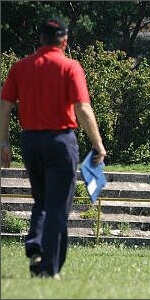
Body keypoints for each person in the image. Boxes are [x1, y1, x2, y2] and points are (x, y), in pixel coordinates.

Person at [0, 17, 107, 279]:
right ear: (65, 41)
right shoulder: (70, 67)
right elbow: (82, 108)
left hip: (30, 141)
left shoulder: (21, 67)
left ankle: (35, 244)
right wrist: (98, 144)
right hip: (60, 141)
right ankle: (49, 267)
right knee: (59, 205)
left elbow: (4, 105)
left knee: (42, 200)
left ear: (40, 39)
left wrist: (3, 141)